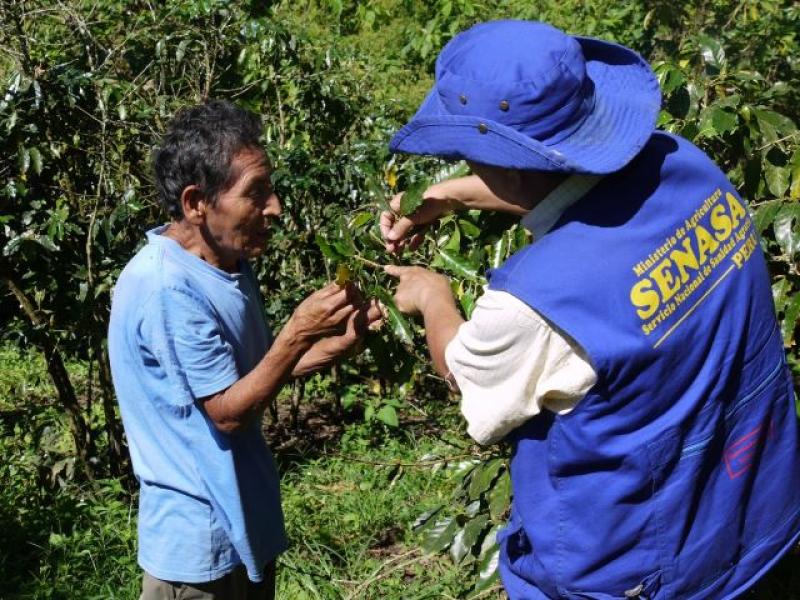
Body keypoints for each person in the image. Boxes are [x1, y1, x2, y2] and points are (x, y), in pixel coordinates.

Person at [380, 20, 800, 599]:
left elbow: (465, 374)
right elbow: (574, 186)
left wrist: (431, 296)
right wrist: (449, 195)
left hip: (637, 569)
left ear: (503, 163)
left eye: (470, 158)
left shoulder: (537, 303)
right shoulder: (687, 168)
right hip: (753, 518)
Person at [108, 100, 380, 600]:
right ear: (196, 204)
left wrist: (331, 346)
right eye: (256, 193)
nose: (274, 207)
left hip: (240, 527)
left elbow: (247, 379)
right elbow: (228, 414)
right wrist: (298, 332)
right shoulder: (169, 289)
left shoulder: (228, 261)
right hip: (198, 548)